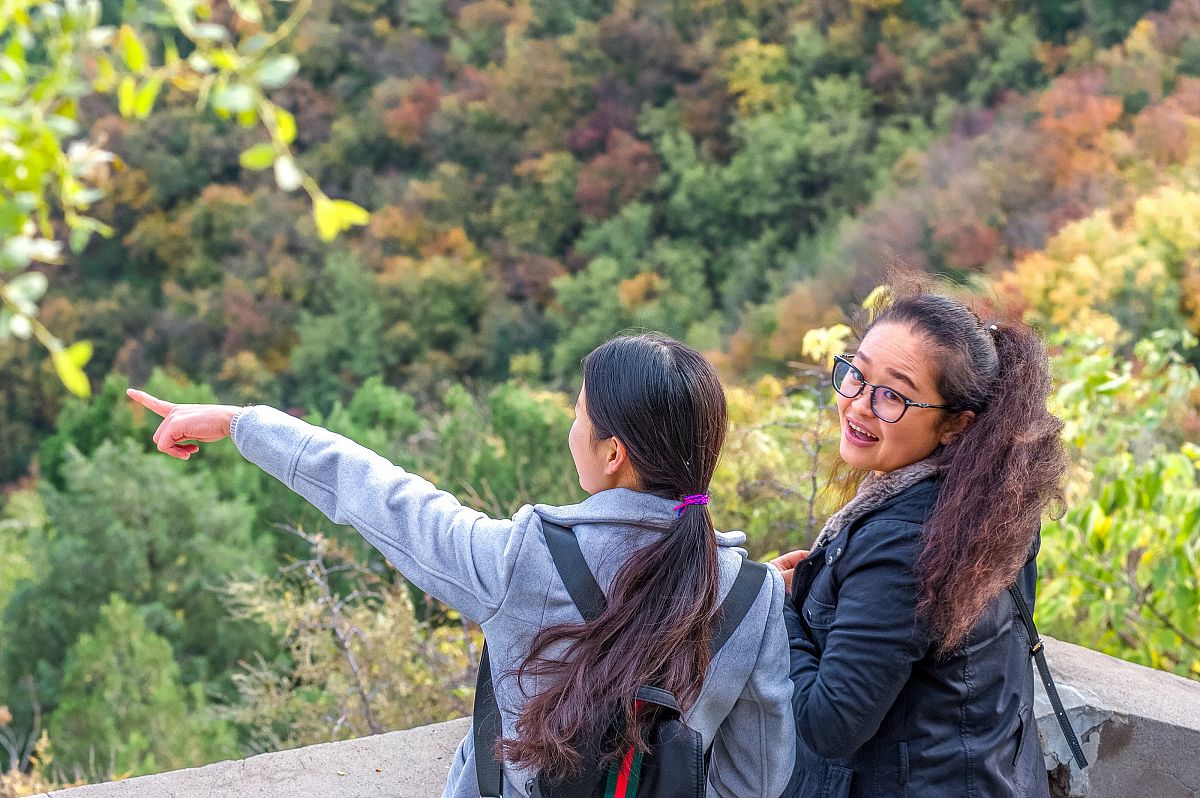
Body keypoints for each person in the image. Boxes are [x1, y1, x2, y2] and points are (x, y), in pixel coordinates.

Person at [127, 332, 794, 798]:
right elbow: (756, 778)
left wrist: (243, 422)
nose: (571, 424)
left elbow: (382, 497)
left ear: (613, 452)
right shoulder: (755, 593)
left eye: (578, 413)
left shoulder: (523, 558)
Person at [771, 290, 1066, 797]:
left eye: (894, 396)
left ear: (955, 425)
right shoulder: (988, 500)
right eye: (857, 374)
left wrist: (777, 606)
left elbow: (829, 725)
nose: (859, 405)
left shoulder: (907, 544)